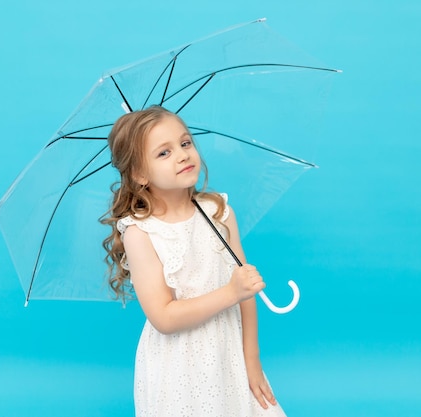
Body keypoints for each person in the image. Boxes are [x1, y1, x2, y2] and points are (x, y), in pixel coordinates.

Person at [101, 105, 287, 417]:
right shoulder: (140, 232)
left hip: (229, 350)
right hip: (179, 365)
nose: (182, 154)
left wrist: (252, 360)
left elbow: (245, 293)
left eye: (185, 143)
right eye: (164, 152)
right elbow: (164, 317)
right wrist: (231, 292)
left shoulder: (219, 213)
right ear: (139, 173)